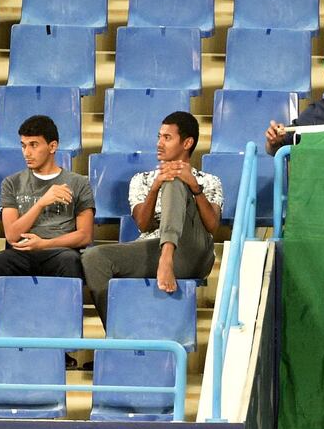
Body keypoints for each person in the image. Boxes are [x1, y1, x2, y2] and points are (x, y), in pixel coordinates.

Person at [81, 111, 223, 326]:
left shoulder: (209, 180)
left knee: (174, 181)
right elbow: (143, 224)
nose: (159, 143)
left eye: (167, 138)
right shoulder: (142, 180)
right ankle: (119, 334)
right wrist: (155, 187)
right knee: (94, 258)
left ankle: (167, 257)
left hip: (192, 251)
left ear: (187, 142)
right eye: (159, 136)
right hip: (154, 247)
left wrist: (195, 188)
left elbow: (212, 226)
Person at [0, 115, 94, 305]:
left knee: (70, 262)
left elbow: (85, 236)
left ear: (52, 146)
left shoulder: (79, 183)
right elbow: (12, 235)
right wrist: (40, 203)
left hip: (60, 252)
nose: (26, 153)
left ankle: (65, 324)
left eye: (34, 145)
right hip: (21, 252)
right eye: (23, 145)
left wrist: (45, 244)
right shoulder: (11, 183)